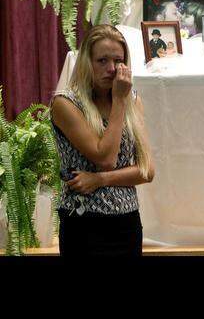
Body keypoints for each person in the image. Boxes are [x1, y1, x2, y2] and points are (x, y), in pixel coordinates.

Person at [50, 25, 156, 256]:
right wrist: (119, 100)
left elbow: (146, 171)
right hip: (84, 221)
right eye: (102, 61)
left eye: (118, 60)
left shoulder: (133, 101)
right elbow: (105, 157)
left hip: (127, 222)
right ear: (87, 62)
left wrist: (99, 180)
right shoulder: (65, 104)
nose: (111, 68)